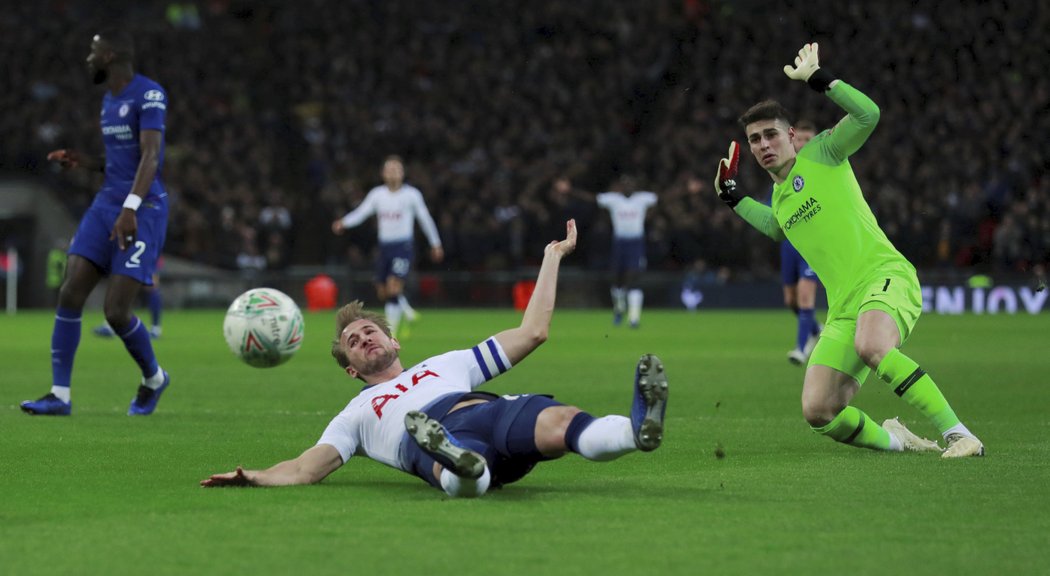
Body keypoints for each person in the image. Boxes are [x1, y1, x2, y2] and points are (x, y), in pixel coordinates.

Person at [202, 220, 670, 498]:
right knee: (449, 461)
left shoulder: (449, 363)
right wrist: (253, 477)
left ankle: (637, 430)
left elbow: (533, 332)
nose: (363, 337)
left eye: (369, 330)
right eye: (353, 341)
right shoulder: (355, 416)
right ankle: (461, 466)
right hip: (429, 436)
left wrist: (552, 257)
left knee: (561, 421)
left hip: (487, 409)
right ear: (350, 369)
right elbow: (307, 469)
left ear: (395, 343)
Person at [713, 43, 983, 457]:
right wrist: (732, 198)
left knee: (872, 346)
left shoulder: (823, 152)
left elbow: (868, 115)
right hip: (843, 307)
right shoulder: (780, 198)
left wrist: (821, 80)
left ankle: (959, 434)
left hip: (884, 277)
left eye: (770, 134)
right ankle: (900, 442)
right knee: (818, 410)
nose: (763, 144)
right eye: (754, 139)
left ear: (789, 136)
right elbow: (774, 227)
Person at [21, 30, 171, 416]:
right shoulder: (108, 100)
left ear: (109, 55)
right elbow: (120, 161)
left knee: (116, 312)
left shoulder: (149, 94)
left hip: (143, 208)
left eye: (92, 52)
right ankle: (60, 395)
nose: (88, 59)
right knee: (71, 290)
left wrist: (131, 208)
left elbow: (151, 157)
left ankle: (154, 378)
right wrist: (85, 162)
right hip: (106, 202)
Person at [331, 156, 443, 338]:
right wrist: (344, 222)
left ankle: (391, 334)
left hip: (403, 246)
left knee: (393, 286)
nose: (392, 173)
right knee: (383, 292)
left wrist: (435, 243)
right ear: (383, 173)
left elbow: (425, 219)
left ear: (402, 173)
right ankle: (407, 312)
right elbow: (362, 212)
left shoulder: (411, 195)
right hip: (384, 248)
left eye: (396, 169)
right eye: (389, 169)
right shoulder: (377, 194)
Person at [757, 120, 824, 365]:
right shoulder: (782, 174)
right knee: (791, 301)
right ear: (793, 140)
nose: (805, 143)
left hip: (811, 244)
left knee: (806, 298)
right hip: (789, 245)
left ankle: (801, 349)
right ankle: (816, 330)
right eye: (801, 139)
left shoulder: (821, 169)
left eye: (810, 139)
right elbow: (771, 209)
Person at [596, 178, 658, 328]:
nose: (628, 185)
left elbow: (662, 198)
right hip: (619, 243)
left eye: (630, 183)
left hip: (636, 243)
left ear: (635, 186)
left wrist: (684, 190)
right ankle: (619, 308)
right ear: (620, 186)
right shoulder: (614, 199)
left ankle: (634, 318)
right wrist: (570, 191)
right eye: (624, 183)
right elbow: (593, 199)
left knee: (633, 277)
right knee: (617, 280)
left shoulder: (642, 199)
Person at [93, 270, 163, 339]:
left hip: (148, 262)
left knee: (151, 286)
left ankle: (155, 328)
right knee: (120, 285)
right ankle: (110, 326)